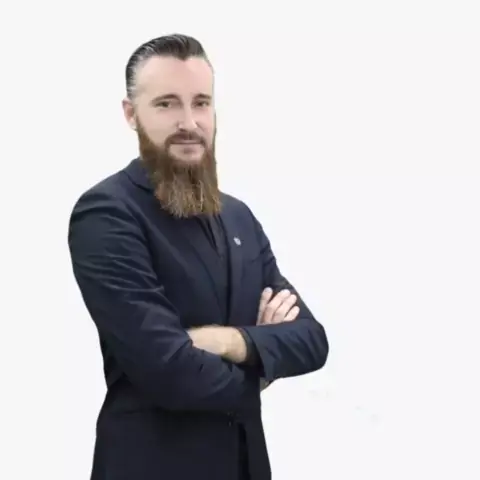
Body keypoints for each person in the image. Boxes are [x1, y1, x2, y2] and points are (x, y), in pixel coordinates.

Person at [68, 33, 329, 480]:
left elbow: (311, 339)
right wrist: (263, 366)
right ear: (131, 114)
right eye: (166, 104)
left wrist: (229, 342)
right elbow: (169, 370)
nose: (189, 121)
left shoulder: (239, 217)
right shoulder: (108, 213)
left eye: (201, 103)